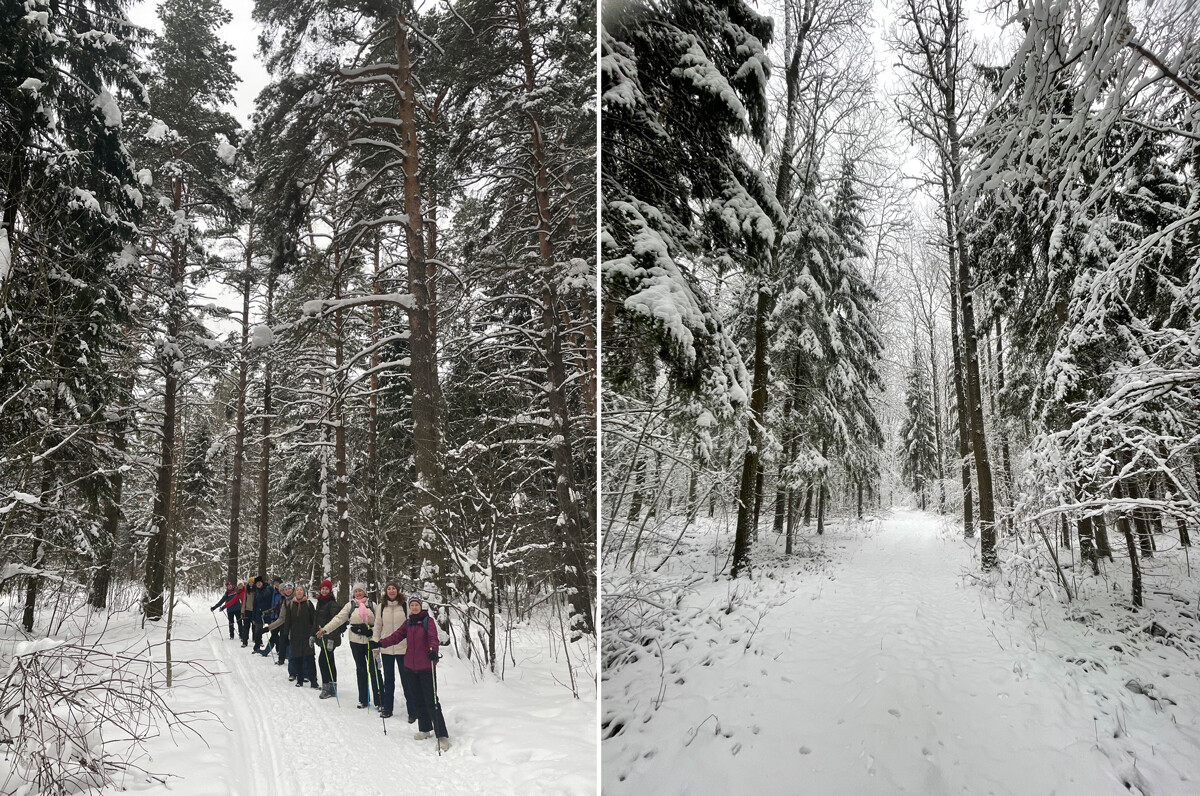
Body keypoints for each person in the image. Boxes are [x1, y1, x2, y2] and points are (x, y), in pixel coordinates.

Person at [378, 593, 449, 751]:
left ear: (421, 606)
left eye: (417, 604)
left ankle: (442, 736)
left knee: (432, 701)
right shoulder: (408, 623)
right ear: (409, 607)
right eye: (412, 605)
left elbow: (433, 638)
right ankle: (424, 729)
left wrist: (433, 651)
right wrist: (380, 642)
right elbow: (396, 636)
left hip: (426, 667)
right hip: (410, 667)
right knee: (418, 700)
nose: (414, 607)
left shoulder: (427, 621)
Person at [317, 582, 380, 707]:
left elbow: (380, 622)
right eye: (356, 591)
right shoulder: (350, 606)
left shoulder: (373, 605)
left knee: (375, 670)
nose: (358, 593)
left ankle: (380, 700)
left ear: (364, 592)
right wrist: (325, 629)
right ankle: (363, 699)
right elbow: (338, 619)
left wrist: (372, 631)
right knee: (361, 669)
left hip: (371, 641)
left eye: (360, 591)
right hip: (355, 641)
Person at [373, 582, 419, 722]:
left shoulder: (405, 606)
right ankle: (388, 708)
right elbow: (377, 627)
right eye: (389, 589)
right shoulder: (381, 607)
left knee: (407, 680)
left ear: (397, 591)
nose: (391, 591)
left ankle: (412, 711)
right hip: (386, 648)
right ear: (385, 591)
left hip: (403, 648)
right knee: (389, 680)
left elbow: (412, 625)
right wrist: (375, 646)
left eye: (393, 588)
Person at [268, 584, 318, 689]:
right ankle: (299, 680)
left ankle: (313, 681)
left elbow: (314, 620)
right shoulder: (291, 605)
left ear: (303, 592)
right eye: (298, 590)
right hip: (295, 636)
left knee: (310, 658)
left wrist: (314, 633)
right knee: (297, 658)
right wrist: (286, 635)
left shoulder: (308, 604)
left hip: (307, 635)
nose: (299, 592)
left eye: (301, 590)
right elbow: (287, 622)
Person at [313, 579, 342, 697]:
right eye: (323, 589)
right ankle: (332, 687)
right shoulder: (320, 602)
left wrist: (331, 639)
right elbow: (316, 621)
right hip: (322, 637)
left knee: (323, 661)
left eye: (326, 589)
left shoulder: (332, 604)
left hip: (330, 638)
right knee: (329, 661)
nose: (324, 591)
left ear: (330, 591)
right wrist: (312, 635)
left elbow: (336, 623)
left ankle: (327, 687)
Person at [258, 578, 286, 658]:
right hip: (275, 617)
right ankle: (270, 651)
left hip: (283, 619)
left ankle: (283, 652)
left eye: (278, 583)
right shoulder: (275, 593)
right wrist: (266, 613)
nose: (276, 585)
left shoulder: (286, 598)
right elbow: (275, 607)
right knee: (274, 635)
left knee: (281, 636)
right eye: (275, 583)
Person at [250, 575, 272, 652]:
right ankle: (256, 647)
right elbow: (254, 605)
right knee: (257, 631)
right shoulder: (256, 592)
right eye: (257, 583)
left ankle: (279, 648)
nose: (258, 584)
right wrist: (253, 618)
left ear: (262, 582)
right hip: (259, 614)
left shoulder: (269, 589)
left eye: (259, 582)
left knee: (273, 630)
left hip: (269, 613)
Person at [239, 572, 256, 647]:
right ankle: (245, 641)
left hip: (254, 611)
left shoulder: (256, 591)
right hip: (247, 611)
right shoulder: (246, 591)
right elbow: (244, 602)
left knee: (255, 627)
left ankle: (256, 640)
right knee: (246, 627)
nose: (251, 583)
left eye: (252, 582)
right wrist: (242, 611)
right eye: (250, 582)